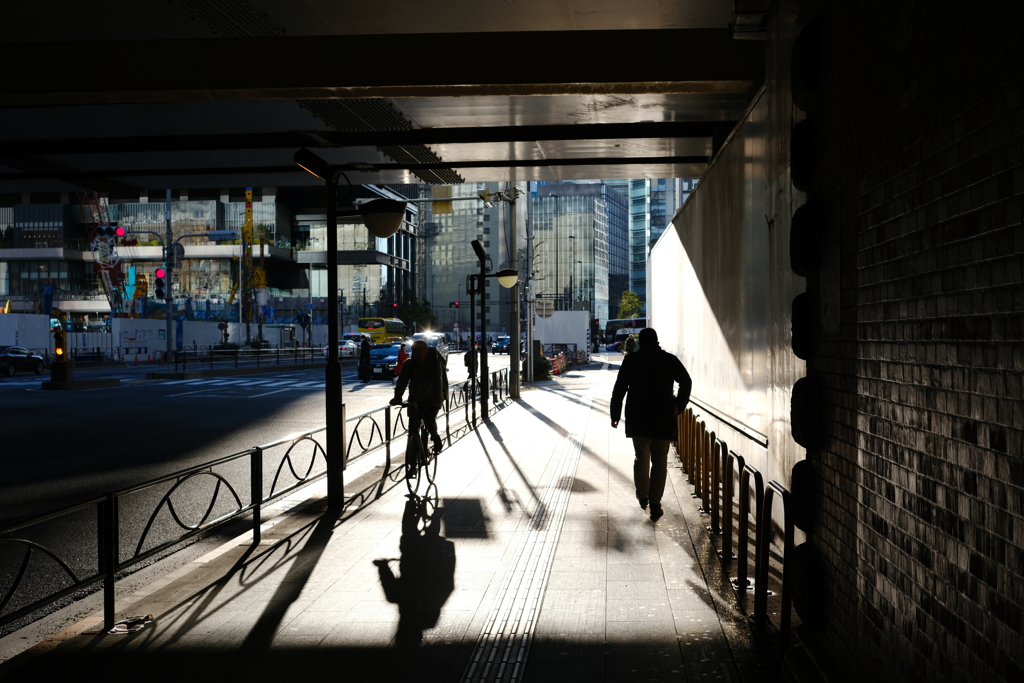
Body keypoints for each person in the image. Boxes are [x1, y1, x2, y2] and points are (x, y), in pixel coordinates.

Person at [610, 328, 691, 522]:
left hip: (638, 417)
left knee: (641, 457)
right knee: (660, 460)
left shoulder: (631, 361)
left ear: (640, 342)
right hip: (662, 416)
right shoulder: (669, 360)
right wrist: (678, 405)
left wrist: (615, 414)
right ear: (656, 341)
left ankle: (643, 496)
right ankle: (655, 502)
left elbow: (619, 388)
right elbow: (686, 381)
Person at [390, 339, 449, 457]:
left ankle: (435, 437)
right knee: (413, 427)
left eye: (420, 351)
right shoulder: (408, 364)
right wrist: (397, 397)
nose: (417, 353)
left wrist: (438, 397)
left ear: (426, 351)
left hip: (432, 398)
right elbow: (402, 381)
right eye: (414, 351)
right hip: (415, 399)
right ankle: (412, 460)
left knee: (429, 419)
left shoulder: (434, 363)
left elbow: (438, 380)